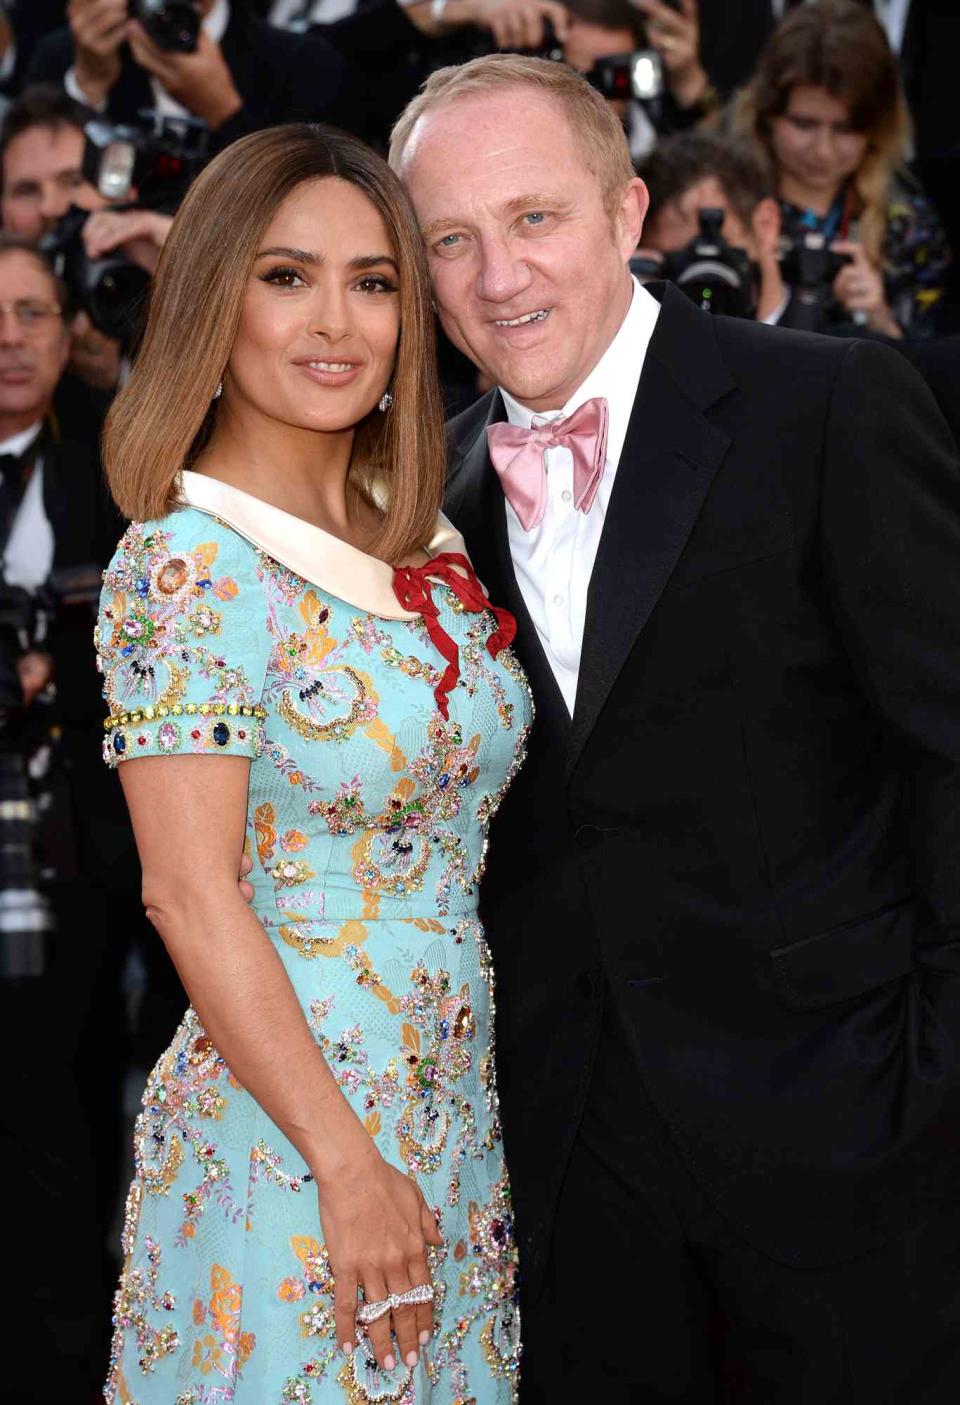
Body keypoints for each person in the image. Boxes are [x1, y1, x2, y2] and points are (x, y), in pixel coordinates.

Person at [389, 51, 960, 1402]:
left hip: (845, 1135)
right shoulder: (430, 501)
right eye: (452, 241)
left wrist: (930, 1080)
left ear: (629, 215)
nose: (499, 277)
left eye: (535, 219)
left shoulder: (827, 406)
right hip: (574, 1168)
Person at [96, 122, 527, 1402]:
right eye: (285, 277)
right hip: (290, 1137)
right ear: (210, 302)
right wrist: (345, 1162)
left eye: (374, 279)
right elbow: (188, 892)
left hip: (449, 1115)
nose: (335, 321)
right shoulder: (187, 561)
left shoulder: (425, 533)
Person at [0, 232, 123, 1402]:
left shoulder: (114, 468)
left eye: (33, 311)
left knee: (66, 1118)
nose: (10, 337)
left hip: (78, 855)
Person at [733, 0, 950, 339]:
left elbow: (932, 378)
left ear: (877, 129)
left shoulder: (906, 226)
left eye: (845, 130)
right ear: (767, 113)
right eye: (804, 124)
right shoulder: (721, 194)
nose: (822, 150)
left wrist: (879, 318)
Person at [26, 0, 350, 153]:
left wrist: (225, 114)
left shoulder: (306, 65)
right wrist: (87, 87)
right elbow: (35, 197)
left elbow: (304, 211)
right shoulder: (63, 57)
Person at [636, 129, 789, 324]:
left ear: (766, 225)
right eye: (675, 264)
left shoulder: (831, 343)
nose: (697, 281)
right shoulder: (632, 346)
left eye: (711, 258)